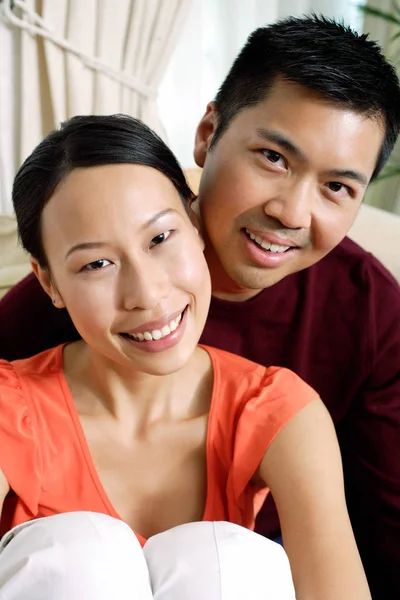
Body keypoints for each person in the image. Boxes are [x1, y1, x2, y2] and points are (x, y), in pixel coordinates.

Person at [1, 13, 399, 598]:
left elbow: (383, 533)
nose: (290, 212)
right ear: (208, 133)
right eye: (273, 157)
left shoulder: (366, 313)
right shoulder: (46, 312)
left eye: (336, 187)